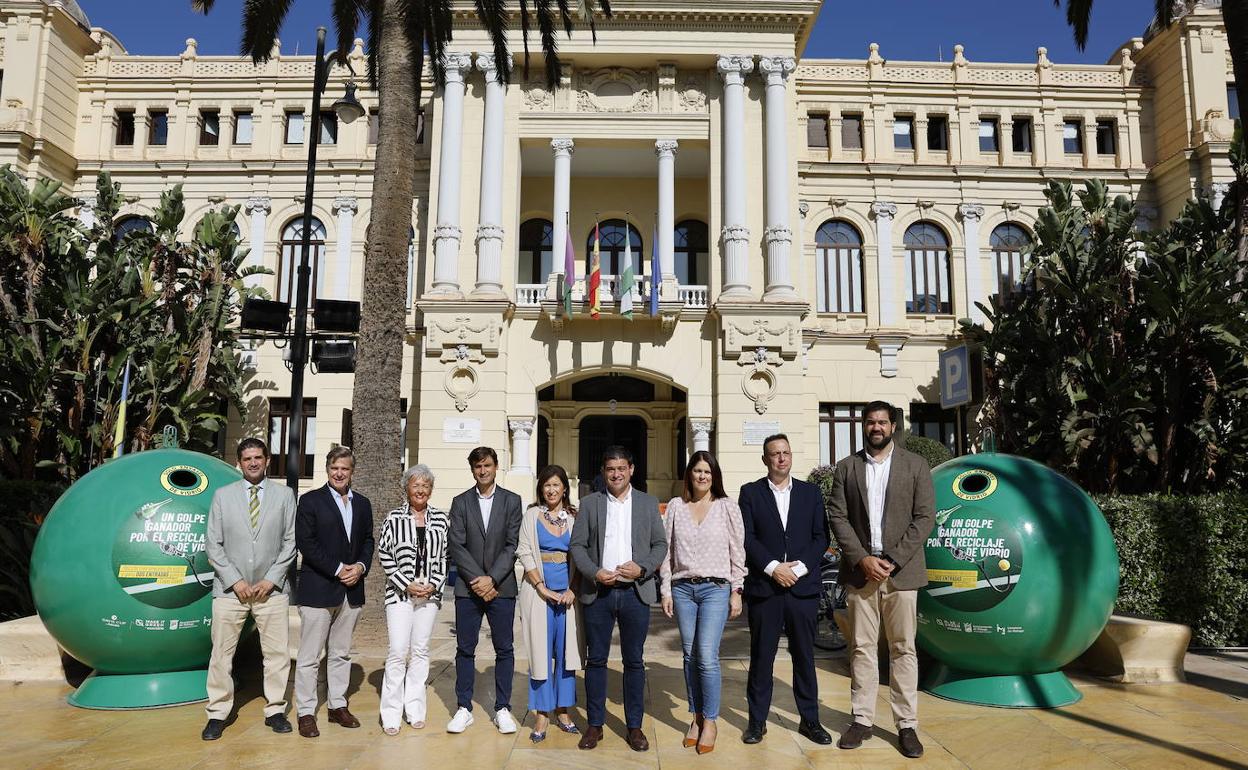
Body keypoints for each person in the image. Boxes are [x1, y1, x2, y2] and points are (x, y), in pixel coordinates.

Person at [827, 402, 935, 759]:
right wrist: (863, 559)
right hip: (861, 574)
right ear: (864, 427)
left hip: (902, 574)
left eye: (882, 422)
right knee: (861, 647)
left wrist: (891, 559)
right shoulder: (847, 467)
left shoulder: (916, 466)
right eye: (871, 422)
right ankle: (861, 719)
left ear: (893, 426)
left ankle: (907, 725)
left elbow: (924, 518)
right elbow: (838, 516)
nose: (876, 427)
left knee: (904, 648)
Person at [569, 446, 667, 752]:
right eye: (610, 469)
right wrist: (595, 572)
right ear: (603, 472)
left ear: (632, 470)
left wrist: (643, 568)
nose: (616, 474)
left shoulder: (648, 503)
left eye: (621, 468)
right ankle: (595, 725)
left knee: (634, 662)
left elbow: (660, 544)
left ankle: (634, 727)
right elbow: (577, 546)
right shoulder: (589, 504)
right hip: (599, 592)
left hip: (635, 593)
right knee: (596, 660)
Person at [739, 433, 832, 746]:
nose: (781, 458)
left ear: (791, 456)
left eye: (785, 452)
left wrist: (799, 568)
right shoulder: (750, 493)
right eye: (774, 454)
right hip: (765, 589)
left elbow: (821, 537)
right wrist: (773, 568)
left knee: (804, 657)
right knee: (761, 658)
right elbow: (747, 538)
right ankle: (756, 722)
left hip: (802, 590)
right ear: (765, 459)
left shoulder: (810, 493)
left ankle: (810, 721)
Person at [201, 437, 297, 741]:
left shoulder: (284, 496)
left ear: (267, 460)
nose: (253, 462)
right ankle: (218, 713)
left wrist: (271, 579)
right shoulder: (222, 496)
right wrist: (235, 581)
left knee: (277, 654)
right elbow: (213, 545)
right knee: (221, 655)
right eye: (247, 459)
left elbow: (290, 542)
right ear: (238, 463)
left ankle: (276, 710)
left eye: (258, 457)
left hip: (272, 591)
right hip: (231, 592)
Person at [660, 451, 746, 756]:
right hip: (683, 589)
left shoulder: (726, 507)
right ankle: (695, 717)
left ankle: (710, 720)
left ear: (715, 475)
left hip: (715, 589)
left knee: (707, 655)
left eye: (707, 471)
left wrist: (737, 589)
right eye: (697, 471)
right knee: (688, 654)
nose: (702, 476)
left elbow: (738, 551)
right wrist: (666, 590)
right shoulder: (675, 507)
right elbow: (666, 552)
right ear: (689, 474)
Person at [293, 445, 375, 738]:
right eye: (334, 468)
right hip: (318, 590)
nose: (339, 473)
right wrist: (340, 568)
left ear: (352, 472)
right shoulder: (310, 501)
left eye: (345, 468)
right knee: (309, 656)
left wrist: (361, 567)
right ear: (327, 470)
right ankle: (305, 711)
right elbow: (307, 543)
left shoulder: (363, 503)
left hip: (351, 591)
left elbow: (368, 541)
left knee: (340, 653)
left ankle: (337, 705)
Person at [446, 446, 524, 734]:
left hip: (502, 588)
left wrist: (491, 579)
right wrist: (478, 580)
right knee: (465, 649)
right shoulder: (460, 502)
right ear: (472, 469)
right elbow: (457, 544)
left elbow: (512, 544)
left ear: (496, 466)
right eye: (478, 466)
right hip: (469, 589)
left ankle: (502, 708)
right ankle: (464, 708)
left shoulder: (512, 501)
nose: (483, 471)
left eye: (488, 465)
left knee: (504, 649)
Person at [378, 464, 450, 735]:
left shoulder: (442, 519)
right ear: (406, 488)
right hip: (400, 594)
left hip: (429, 596)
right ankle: (391, 715)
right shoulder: (393, 518)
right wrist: (405, 584)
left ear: (431, 490)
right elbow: (385, 554)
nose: (420, 490)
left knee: (420, 651)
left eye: (425, 486)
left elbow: (445, 557)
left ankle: (416, 709)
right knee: (398, 651)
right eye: (415, 485)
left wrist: (433, 585)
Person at [516, 465, 582, 743]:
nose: (552, 490)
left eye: (556, 485)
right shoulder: (531, 515)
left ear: (564, 488)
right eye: (547, 485)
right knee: (540, 653)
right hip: (538, 593)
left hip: (567, 596)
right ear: (541, 489)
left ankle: (563, 710)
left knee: (567, 654)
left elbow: (582, 554)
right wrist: (541, 587)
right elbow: (524, 549)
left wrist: (572, 589)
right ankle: (542, 712)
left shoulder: (575, 518)